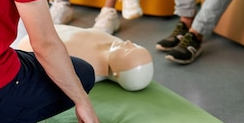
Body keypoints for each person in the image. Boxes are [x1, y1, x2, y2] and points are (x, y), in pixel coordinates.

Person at [18, 24, 154, 91]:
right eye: (134, 45)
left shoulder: (87, 67)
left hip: (32, 43)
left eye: (127, 51)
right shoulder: (115, 44)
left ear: (117, 73)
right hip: (44, 30)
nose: (128, 43)